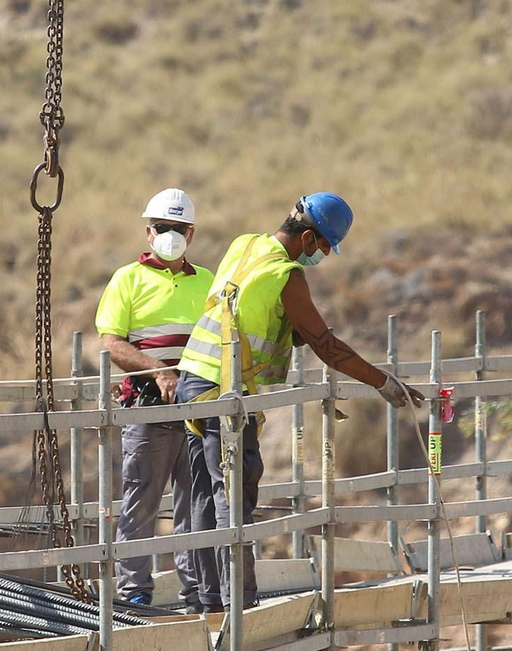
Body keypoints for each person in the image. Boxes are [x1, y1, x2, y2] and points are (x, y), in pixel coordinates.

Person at [174, 192, 423, 612]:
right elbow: (326, 346)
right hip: (225, 389)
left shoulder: (244, 244)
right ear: (307, 237)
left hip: (192, 377)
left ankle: (209, 599)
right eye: (324, 246)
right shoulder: (287, 275)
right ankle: (238, 603)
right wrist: (383, 382)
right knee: (232, 496)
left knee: (205, 493)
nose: (323, 255)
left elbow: (248, 310)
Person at [95, 188, 214, 609]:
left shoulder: (208, 282)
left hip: (198, 410)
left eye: (178, 229)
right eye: (163, 228)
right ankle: (135, 593)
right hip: (149, 407)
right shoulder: (128, 279)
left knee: (195, 505)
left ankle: (196, 591)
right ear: (148, 232)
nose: (170, 235)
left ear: (192, 233)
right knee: (140, 504)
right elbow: (111, 343)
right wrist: (157, 369)